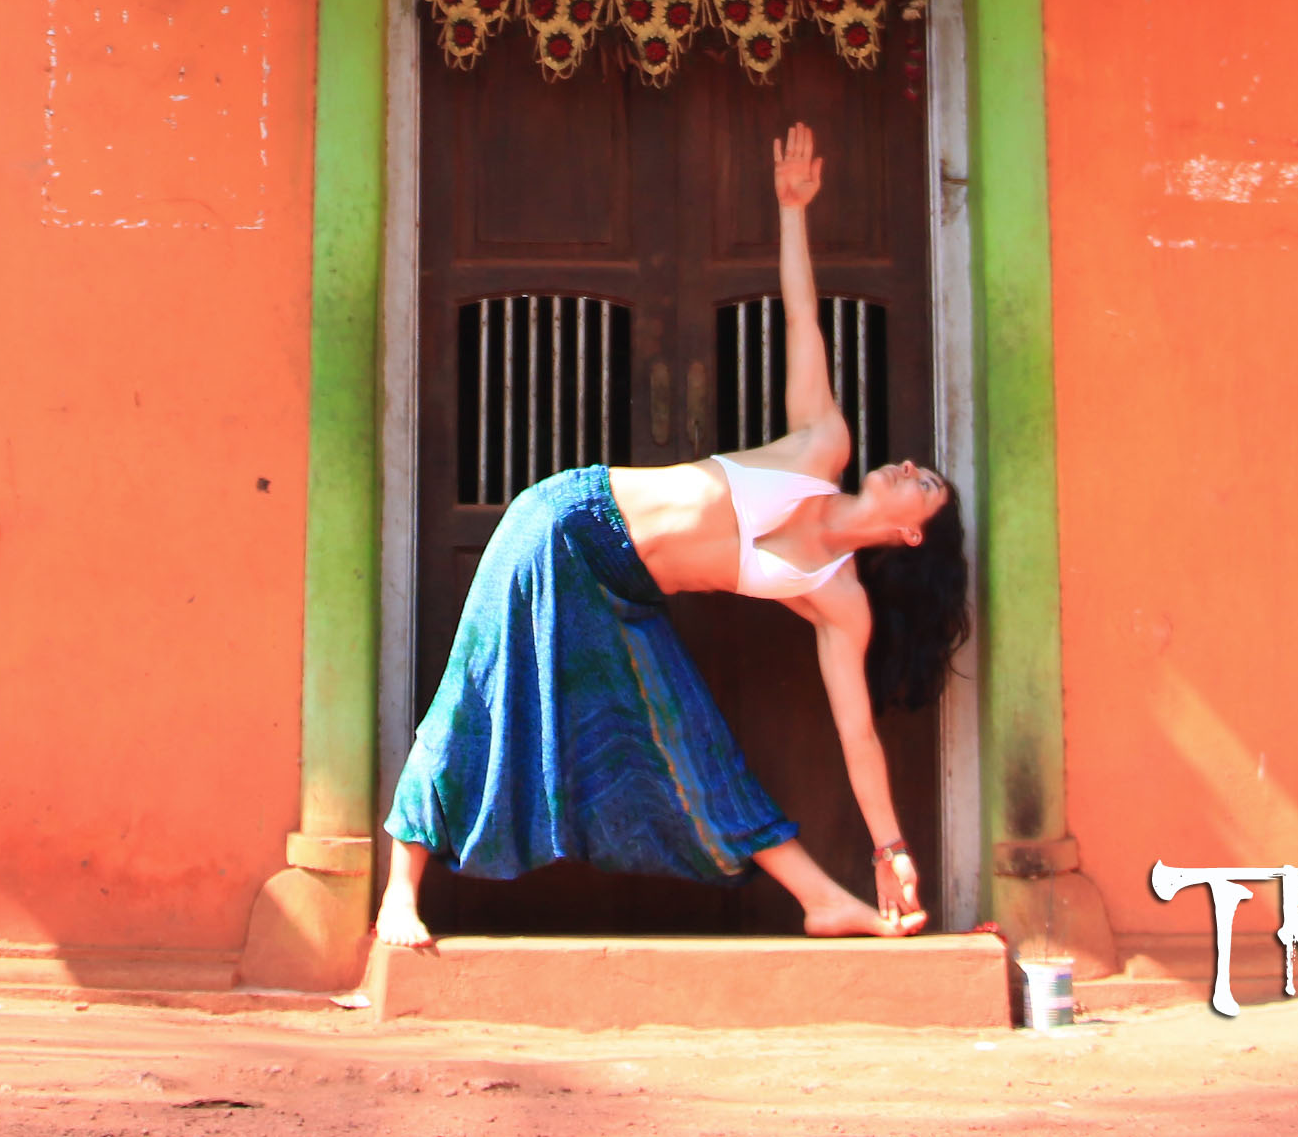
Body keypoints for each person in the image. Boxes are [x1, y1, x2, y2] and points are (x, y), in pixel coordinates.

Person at [376, 121, 971, 944]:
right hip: (564, 521)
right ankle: (398, 898)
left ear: (912, 537)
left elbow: (858, 735)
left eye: (924, 484)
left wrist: (891, 848)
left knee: (694, 745)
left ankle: (825, 900)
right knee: (473, 696)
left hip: (622, 593)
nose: (906, 467)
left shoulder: (839, 600)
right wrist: (791, 209)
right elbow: (803, 319)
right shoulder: (822, 447)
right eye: (914, 465)